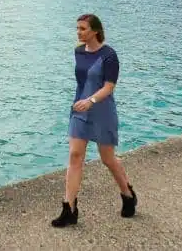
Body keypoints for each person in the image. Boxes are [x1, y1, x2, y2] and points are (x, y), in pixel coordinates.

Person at [51, 13, 137, 227]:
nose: (78, 32)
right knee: (75, 155)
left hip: (102, 110)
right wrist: (82, 103)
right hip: (80, 109)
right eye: (77, 28)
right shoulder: (78, 52)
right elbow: (82, 81)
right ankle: (69, 208)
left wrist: (90, 100)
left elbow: (109, 87)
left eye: (83, 29)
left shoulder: (109, 55)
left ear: (95, 31)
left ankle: (127, 194)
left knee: (107, 159)